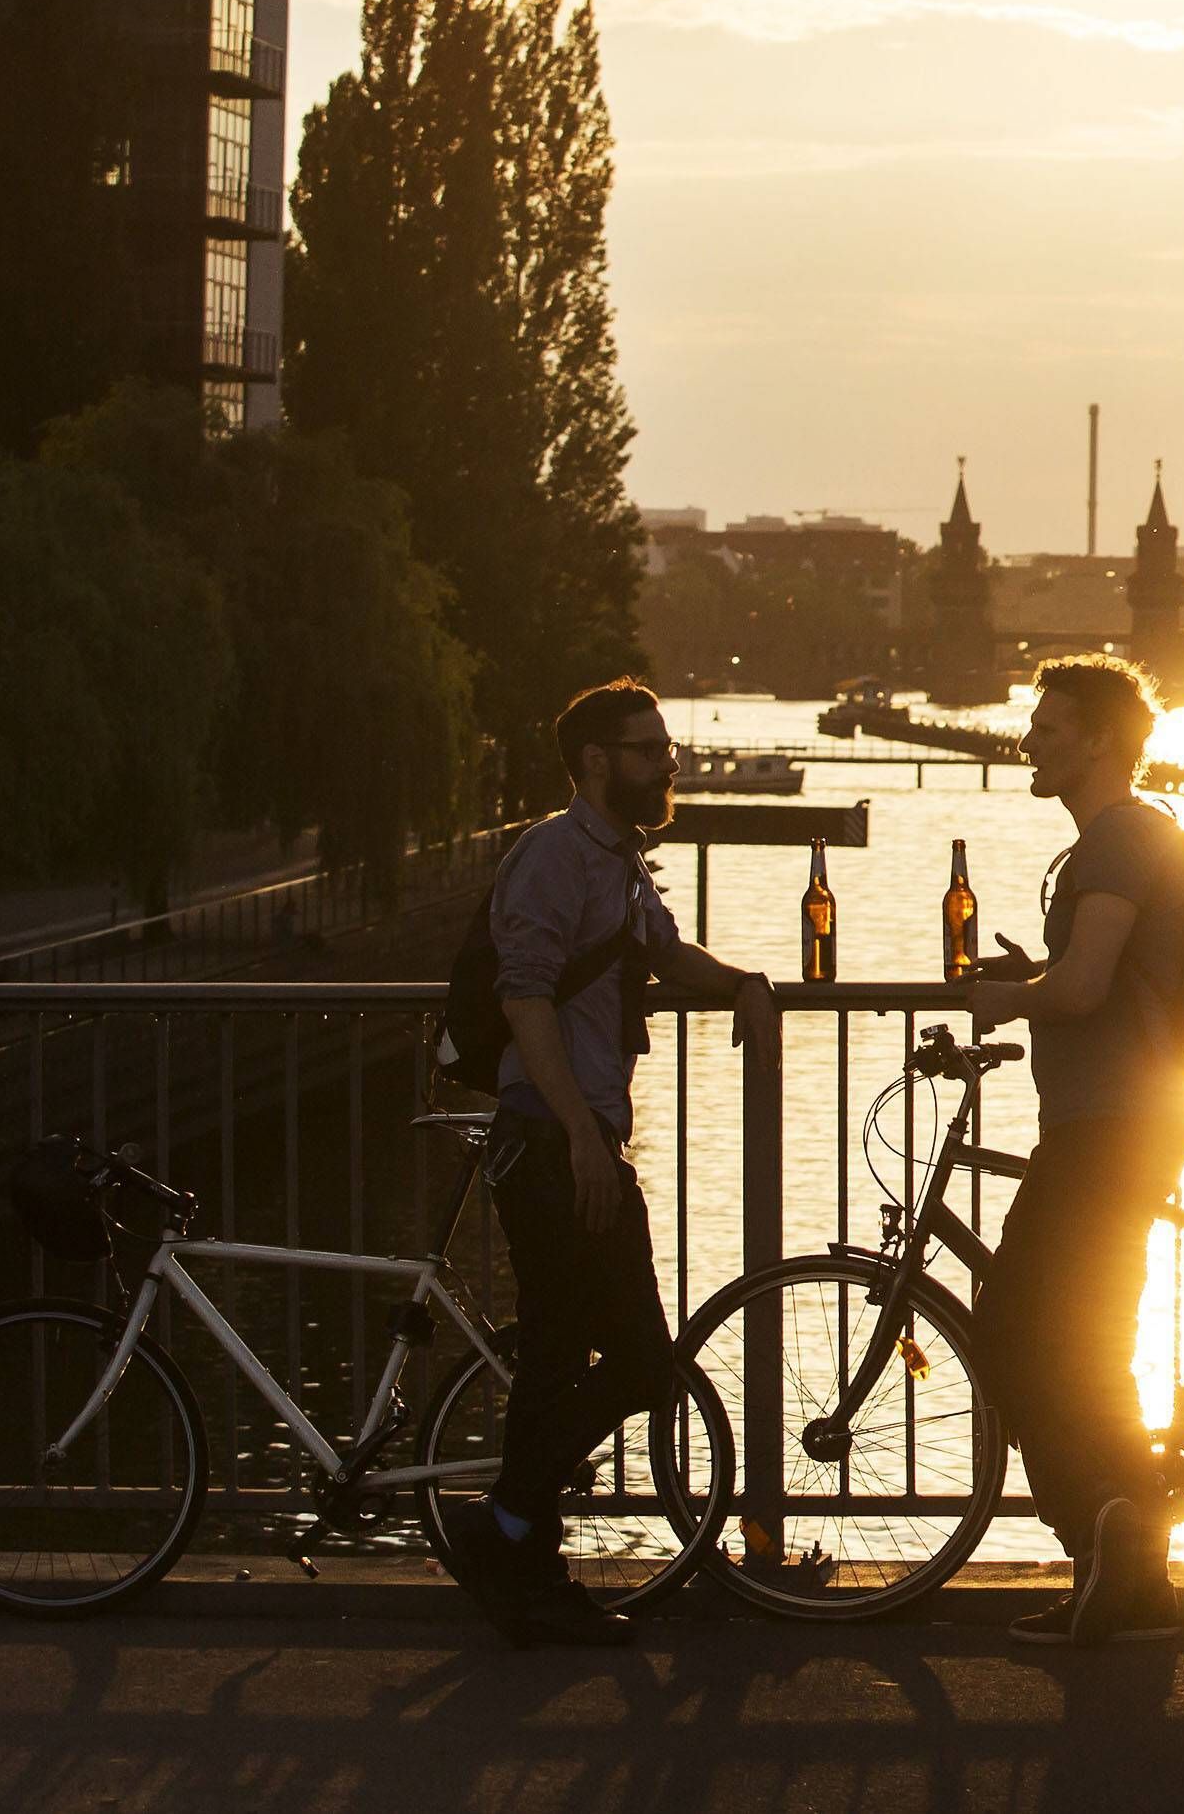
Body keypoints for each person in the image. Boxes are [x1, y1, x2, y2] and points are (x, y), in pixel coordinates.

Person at [441, 680, 775, 1648]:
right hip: (552, 1141)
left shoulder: (621, 863)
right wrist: (582, 1137)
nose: (666, 762)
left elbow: (666, 958)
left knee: (577, 1357)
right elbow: (526, 999)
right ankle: (507, 1529)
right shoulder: (553, 856)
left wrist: (746, 984)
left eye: (663, 746)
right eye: (646, 749)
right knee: (613, 1358)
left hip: (575, 1138)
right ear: (593, 764)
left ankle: (518, 1554)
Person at [961, 656, 1184, 1647]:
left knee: (1015, 1337)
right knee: (1084, 1347)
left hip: (1110, 1129)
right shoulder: (1128, 841)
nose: (1031, 741)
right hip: (1121, 1121)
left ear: (1101, 741)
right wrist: (1042, 975)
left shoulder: (1115, 845)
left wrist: (1008, 997)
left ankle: (1108, 1529)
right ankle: (1124, 1579)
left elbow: (1082, 993)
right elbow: (1090, 978)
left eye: (1051, 728)